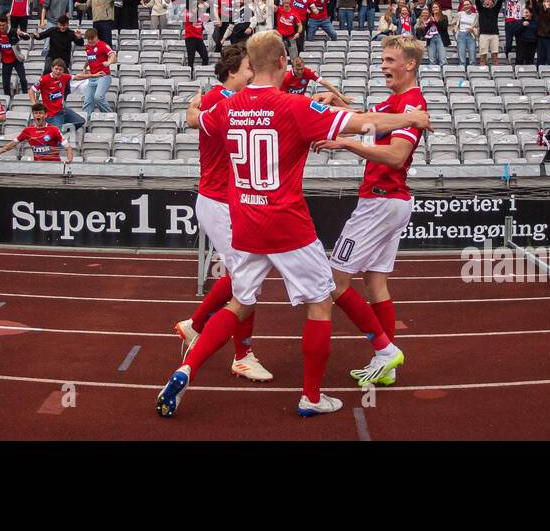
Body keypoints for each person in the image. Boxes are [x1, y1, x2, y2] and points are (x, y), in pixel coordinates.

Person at [157, 30, 431, 419]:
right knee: (320, 304)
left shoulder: (228, 106)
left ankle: (186, 368)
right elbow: (362, 122)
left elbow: (197, 119)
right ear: (283, 62)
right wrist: (410, 117)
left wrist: (192, 105)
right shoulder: (294, 107)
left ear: (250, 67)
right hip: (287, 224)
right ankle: (312, 396)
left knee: (237, 303)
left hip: (246, 221)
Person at [315, 36, 428, 387]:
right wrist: (334, 104)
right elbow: (364, 117)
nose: (382, 66)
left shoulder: (410, 105)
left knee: (334, 281)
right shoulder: (397, 102)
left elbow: (395, 156)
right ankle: (387, 367)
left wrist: (348, 143)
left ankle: (384, 351)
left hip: (380, 201)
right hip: (391, 201)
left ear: (408, 64)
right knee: (376, 282)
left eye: (389, 59)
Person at [173, 44, 272, 382]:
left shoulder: (227, 99)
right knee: (247, 278)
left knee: (243, 274)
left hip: (228, 201)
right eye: (248, 69)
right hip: (218, 202)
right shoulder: (219, 99)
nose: (253, 75)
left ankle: (195, 324)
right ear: (233, 72)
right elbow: (193, 119)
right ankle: (242, 355)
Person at [0, 103, 74, 163]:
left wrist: (69, 158)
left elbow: (67, 147)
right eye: (35, 113)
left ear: (46, 115)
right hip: (37, 166)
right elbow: (12, 144)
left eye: (40, 113)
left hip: (53, 165)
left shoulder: (53, 129)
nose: (38, 115)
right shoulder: (28, 130)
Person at [31, 58, 86, 134]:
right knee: (56, 136)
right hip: (52, 115)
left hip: (62, 111)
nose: (58, 71)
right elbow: (31, 91)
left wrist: (94, 75)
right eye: (56, 69)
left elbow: (77, 77)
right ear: (52, 68)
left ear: (63, 70)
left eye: (60, 69)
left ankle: (60, 129)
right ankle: (55, 130)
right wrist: (34, 105)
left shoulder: (64, 76)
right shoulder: (44, 79)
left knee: (81, 121)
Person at [73, 27, 116, 114]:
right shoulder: (88, 47)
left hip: (103, 76)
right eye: (88, 39)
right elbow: (89, 58)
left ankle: (110, 116)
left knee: (98, 97)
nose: (90, 41)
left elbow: (112, 55)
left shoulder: (102, 45)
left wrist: (109, 62)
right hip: (92, 77)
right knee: (88, 101)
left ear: (96, 37)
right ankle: (86, 122)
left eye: (92, 39)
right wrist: (85, 67)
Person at [280, 54, 350, 107]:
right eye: (297, 69)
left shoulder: (307, 72)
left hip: (302, 101)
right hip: (291, 104)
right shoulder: (286, 78)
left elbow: (325, 83)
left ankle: (352, 112)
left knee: (332, 96)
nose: (300, 71)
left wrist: (341, 96)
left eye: (302, 69)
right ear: (292, 68)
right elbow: (283, 97)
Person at [477, 0, 502, 66]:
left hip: (494, 35)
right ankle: (483, 72)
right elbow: (477, 0)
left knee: (495, 57)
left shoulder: (495, 10)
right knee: (483, 57)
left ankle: (496, 72)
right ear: (484, 2)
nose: (487, 1)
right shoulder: (481, 9)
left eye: (489, 0)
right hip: (483, 35)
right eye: (486, 0)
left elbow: (500, 0)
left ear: (493, 3)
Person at [455, 0, 478, 65]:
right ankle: (462, 70)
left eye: (468, 4)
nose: (466, 6)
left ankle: (472, 70)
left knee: (472, 54)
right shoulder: (460, 14)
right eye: (464, 5)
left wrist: (472, 29)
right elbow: (453, 23)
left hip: (471, 35)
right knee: (461, 54)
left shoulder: (475, 15)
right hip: (461, 35)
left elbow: (477, 26)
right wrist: (456, 30)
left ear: (471, 5)